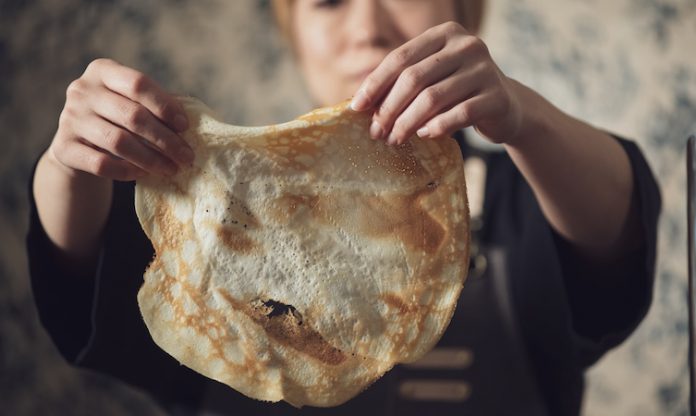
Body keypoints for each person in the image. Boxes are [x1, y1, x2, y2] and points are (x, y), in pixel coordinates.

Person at [26, 0, 660, 415]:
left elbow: (616, 234)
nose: (368, 26)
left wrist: (523, 116)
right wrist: (69, 164)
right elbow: (90, 285)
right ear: (295, 35)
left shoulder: (529, 187)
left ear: (462, 11)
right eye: (328, 0)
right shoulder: (215, 213)